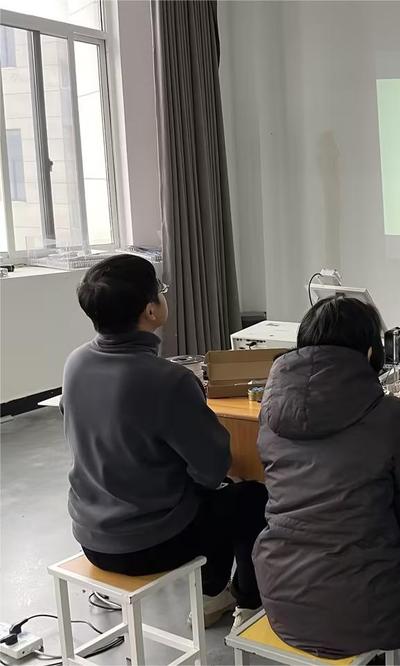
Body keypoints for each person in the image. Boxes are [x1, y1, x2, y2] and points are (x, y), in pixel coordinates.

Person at [63, 254, 267, 627]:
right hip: (149, 544)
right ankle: (243, 600)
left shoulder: (75, 362)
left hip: (90, 536)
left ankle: (213, 595)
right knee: (250, 497)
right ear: (151, 310)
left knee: (213, 497)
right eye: (160, 289)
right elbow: (212, 467)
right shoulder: (167, 380)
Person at [252, 297, 400, 664]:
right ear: (371, 352)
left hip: (283, 604)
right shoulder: (387, 416)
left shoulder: (271, 411)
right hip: (366, 612)